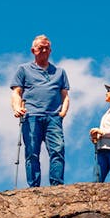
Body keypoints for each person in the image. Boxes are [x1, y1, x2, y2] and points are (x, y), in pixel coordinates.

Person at [11, 35, 70, 187]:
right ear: (33, 50)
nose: (44, 50)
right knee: (32, 152)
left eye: (47, 48)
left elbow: (65, 95)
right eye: (40, 48)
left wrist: (62, 112)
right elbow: (16, 92)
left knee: (57, 150)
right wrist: (16, 107)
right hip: (31, 115)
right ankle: (34, 187)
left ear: (50, 50)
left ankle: (57, 185)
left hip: (53, 117)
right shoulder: (23, 69)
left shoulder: (60, 72)